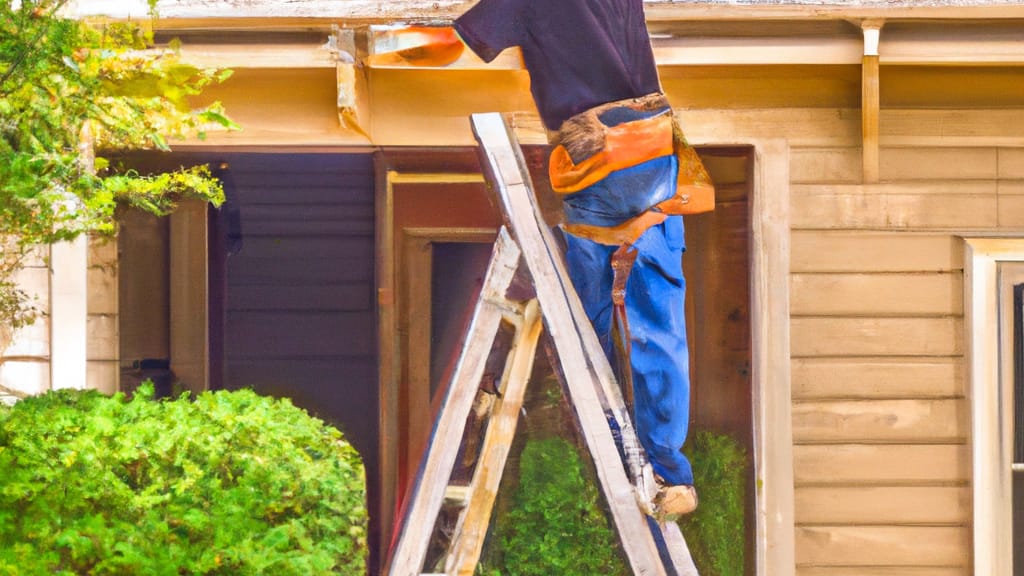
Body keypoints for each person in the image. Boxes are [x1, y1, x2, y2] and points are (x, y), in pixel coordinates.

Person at [393, 0, 714, 519]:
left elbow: (450, 45)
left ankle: (616, 442)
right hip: (656, 145)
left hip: (599, 158)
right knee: (658, 319)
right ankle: (669, 473)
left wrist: (396, 39)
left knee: (590, 318)